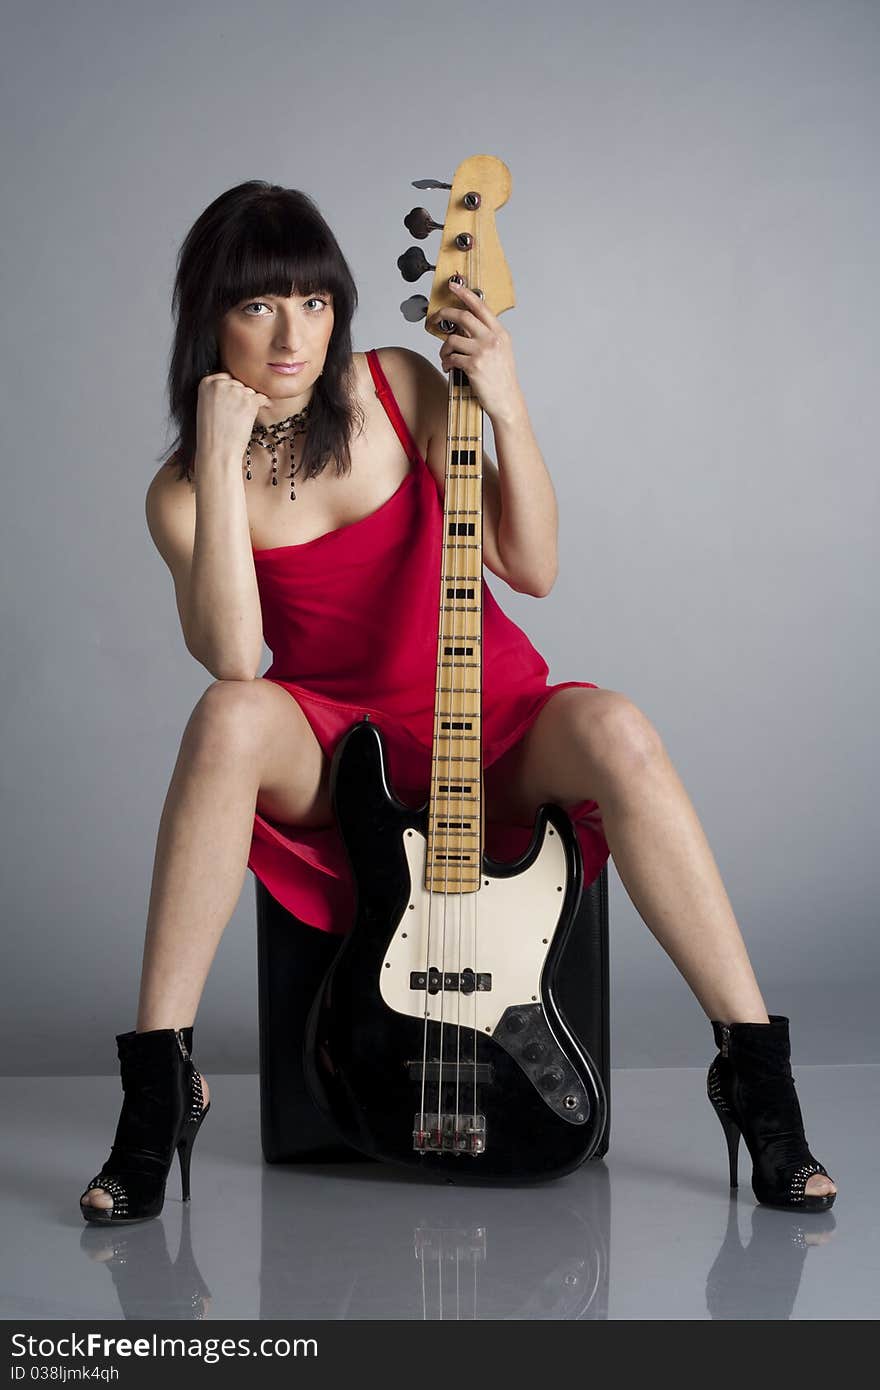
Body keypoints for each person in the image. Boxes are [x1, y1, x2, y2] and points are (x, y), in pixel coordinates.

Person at [79, 180, 837, 1224]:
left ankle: (753, 1075)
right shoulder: (179, 489)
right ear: (211, 318)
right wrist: (216, 458)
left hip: (490, 720)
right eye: (257, 307)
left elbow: (534, 565)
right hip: (337, 747)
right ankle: (160, 1093)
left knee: (618, 726)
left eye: (314, 300)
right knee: (224, 719)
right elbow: (233, 656)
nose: (292, 333)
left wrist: (507, 398)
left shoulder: (396, 388)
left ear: (343, 305)